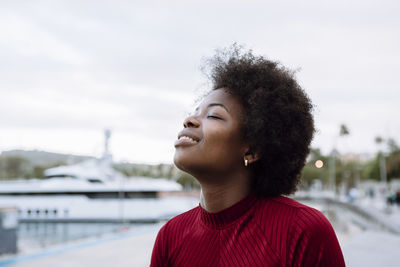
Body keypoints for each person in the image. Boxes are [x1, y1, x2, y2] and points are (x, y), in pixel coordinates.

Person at [150, 46, 345, 267]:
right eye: (196, 111)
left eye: (214, 115)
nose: (190, 120)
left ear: (251, 150)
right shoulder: (170, 236)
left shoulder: (301, 230)